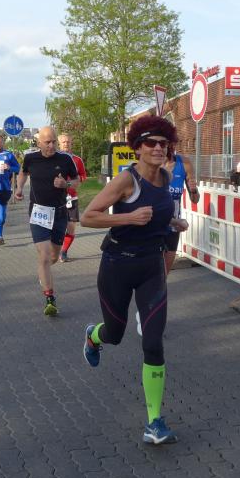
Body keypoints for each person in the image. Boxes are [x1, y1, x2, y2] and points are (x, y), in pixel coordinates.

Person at [80, 115, 188, 445]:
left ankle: (154, 421)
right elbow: (87, 217)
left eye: (163, 143)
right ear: (138, 147)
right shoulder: (126, 181)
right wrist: (128, 217)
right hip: (117, 264)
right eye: (151, 143)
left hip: (151, 267)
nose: (158, 148)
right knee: (114, 334)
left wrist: (172, 223)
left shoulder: (165, 177)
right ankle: (93, 336)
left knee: (153, 342)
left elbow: (154, 216)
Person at [15, 126, 79, 316]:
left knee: (53, 257)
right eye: (47, 142)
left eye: (53, 142)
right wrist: (19, 188)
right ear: (39, 143)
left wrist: (66, 184)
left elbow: (77, 180)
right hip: (39, 213)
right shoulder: (30, 158)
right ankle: (50, 298)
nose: (51, 145)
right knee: (44, 256)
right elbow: (23, 173)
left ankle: (44, 275)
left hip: (59, 213)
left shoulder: (65, 159)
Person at [58, 134, 88, 262]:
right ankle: (54, 249)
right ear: (59, 144)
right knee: (56, 227)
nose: (66, 144)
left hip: (71, 198)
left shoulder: (77, 160)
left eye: (68, 142)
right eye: (63, 142)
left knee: (71, 227)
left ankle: (63, 251)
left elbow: (83, 176)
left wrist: (74, 180)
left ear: (71, 143)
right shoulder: (54, 159)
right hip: (56, 198)